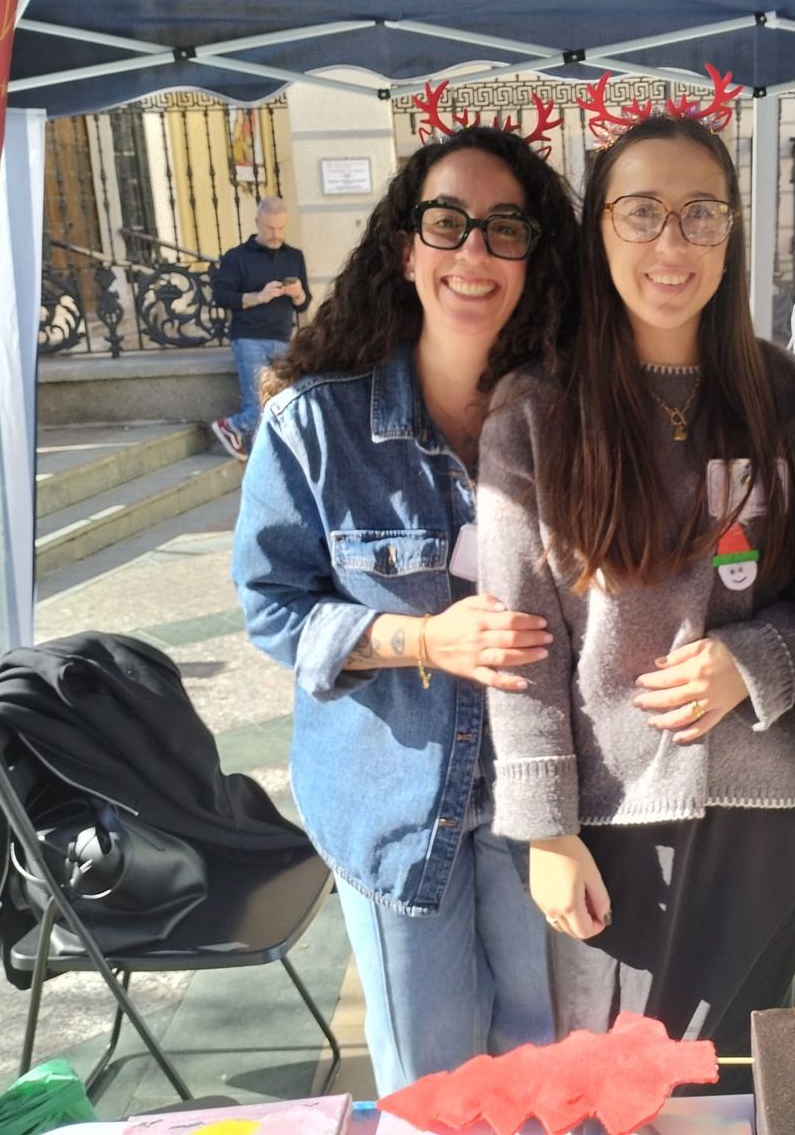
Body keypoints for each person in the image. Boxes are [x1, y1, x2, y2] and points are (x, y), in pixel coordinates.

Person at [478, 116, 795, 1074]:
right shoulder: (537, 410)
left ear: (731, 233)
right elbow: (522, 640)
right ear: (599, 230)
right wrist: (546, 826)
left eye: (699, 214)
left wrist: (760, 657)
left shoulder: (788, 395)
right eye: (642, 212)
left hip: (766, 811)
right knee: (627, 1091)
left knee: (739, 1082)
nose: (671, 243)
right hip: (611, 825)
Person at [232, 127, 578, 1091]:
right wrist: (420, 637)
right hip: (394, 810)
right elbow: (270, 604)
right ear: (406, 249)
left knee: (547, 1075)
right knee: (435, 1089)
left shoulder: (568, 418)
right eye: (448, 223)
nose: (474, 252)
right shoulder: (316, 423)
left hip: (534, 802)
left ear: (534, 257)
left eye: (505, 229)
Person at [211, 197, 311, 461]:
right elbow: (221, 296)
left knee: (285, 403)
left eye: (280, 228)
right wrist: (257, 296)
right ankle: (230, 426)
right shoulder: (237, 257)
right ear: (257, 223)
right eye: (269, 229)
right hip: (249, 338)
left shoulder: (294, 256)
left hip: (283, 338)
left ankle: (265, 453)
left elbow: (304, 305)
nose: (275, 234)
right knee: (256, 407)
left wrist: (299, 294)